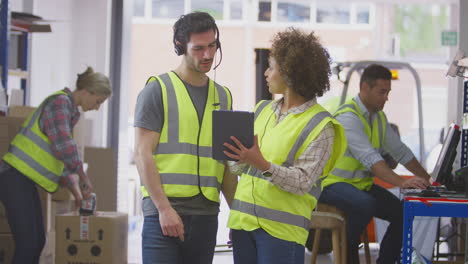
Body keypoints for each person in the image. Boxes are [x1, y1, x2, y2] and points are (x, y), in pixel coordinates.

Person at [224, 28, 346, 264]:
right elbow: (240, 170)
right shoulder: (261, 111)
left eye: (272, 67)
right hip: (242, 225)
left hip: (282, 233)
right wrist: (236, 157)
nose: (266, 74)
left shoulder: (321, 126)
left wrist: (261, 163)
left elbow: (302, 182)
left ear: (290, 74)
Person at [133, 11, 237, 264]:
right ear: (180, 46)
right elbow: (142, 153)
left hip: (206, 215)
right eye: (199, 48)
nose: (208, 55)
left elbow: (225, 163)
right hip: (165, 214)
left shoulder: (223, 97)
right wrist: (164, 209)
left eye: (212, 46)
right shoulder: (157, 90)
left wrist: (238, 216)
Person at [319, 64, 431, 264]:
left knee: (403, 212)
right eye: (382, 92)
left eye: (387, 92)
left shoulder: (378, 118)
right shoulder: (348, 118)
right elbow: (372, 160)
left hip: (360, 187)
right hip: (332, 184)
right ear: (364, 88)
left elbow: (401, 152)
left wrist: (429, 179)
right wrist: (401, 182)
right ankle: (347, 249)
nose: (386, 97)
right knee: (365, 204)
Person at [0, 66, 111, 264]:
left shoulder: (68, 110)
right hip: (14, 177)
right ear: (88, 91)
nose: (97, 107)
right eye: (98, 101)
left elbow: (58, 159)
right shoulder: (60, 103)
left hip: (22, 179)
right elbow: (64, 147)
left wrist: (78, 194)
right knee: (29, 244)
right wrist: (83, 177)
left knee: (36, 242)